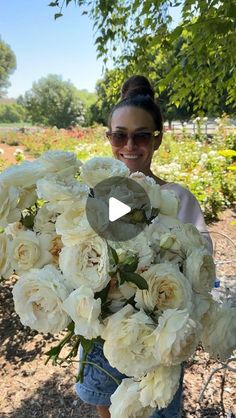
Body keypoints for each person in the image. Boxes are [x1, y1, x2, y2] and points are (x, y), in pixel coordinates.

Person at [76, 75, 213, 418]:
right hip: (106, 341)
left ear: (157, 139)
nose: (129, 145)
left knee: (156, 409)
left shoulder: (177, 199)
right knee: (107, 405)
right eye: (119, 135)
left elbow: (202, 271)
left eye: (141, 136)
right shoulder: (98, 196)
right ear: (109, 137)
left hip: (157, 342)